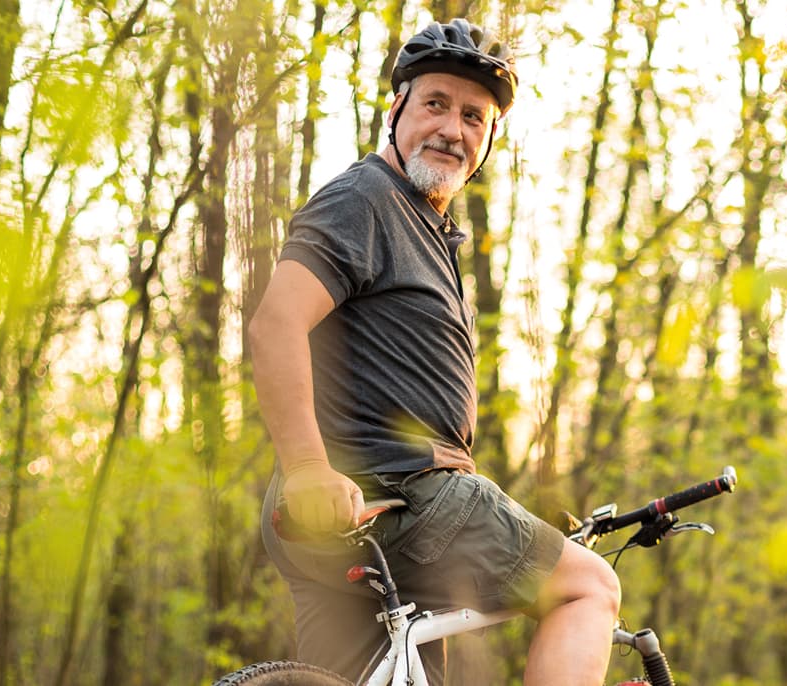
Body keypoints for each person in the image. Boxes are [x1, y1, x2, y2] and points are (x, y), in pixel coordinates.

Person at [248, 18, 621, 685]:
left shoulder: (426, 226)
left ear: (489, 138)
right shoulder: (365, 201)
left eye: (473, 117)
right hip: (396, 491)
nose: (454, 128)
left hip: (356, 513)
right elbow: (275, 324)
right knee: (588, 588)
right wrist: (307, 469)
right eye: (436, 105)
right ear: (396, 110)